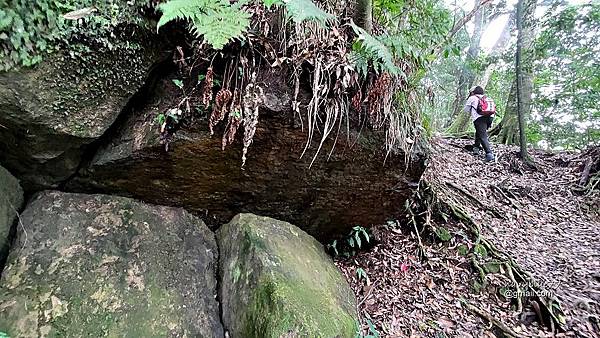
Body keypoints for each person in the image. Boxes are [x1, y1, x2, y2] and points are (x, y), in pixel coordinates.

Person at [464, 85, 495, 162]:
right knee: (479, 133)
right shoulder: (488, 98)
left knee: (483, 136)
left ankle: (489, 154)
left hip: (479, 118)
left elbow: (466, 110)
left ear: (473, 92)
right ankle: (476, 148)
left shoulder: (472, 98)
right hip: (490, 117)